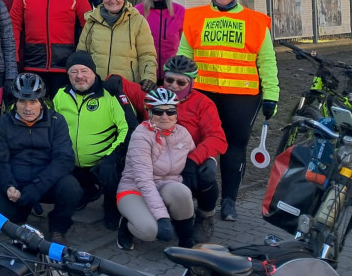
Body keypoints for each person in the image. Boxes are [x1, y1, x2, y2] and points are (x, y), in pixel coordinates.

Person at [178, 0, 279, 222]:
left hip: (242, 96)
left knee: (234, 147)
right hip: (203, 93)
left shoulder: (256, 22)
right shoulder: (194, 17)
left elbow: (267, 61)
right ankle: (201, 194)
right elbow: (184, 56)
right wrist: (178, 87)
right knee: (198, 143)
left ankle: (230, 201)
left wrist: (272, 95)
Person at [107, 55, 226, 242]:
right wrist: (116, 79)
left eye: (181, 82)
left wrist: (194, 160)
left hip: (191, 154)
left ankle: (205, 216)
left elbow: (217, 138)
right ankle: (148, 216)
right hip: (157, 158)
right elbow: (120, 83)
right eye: (169, 80)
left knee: (208, 173)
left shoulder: (203, 103)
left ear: (191, 83)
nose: (174, 86)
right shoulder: (154, 95)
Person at [0, 73, 81, 243]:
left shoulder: (56, 121)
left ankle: (58, 228)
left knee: (71, 188)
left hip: (46, 182)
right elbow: (0, 160)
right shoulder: (4, 123)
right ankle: (23, 210)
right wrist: (8, 185)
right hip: (17, 181)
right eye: (22, 101)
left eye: (33, 101)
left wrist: (37, 187)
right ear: (15, 102)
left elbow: (64, 159)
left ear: (42, 101)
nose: (27, 108)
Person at [53, 51, 132, 230]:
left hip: (103, 161)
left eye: (84, 71)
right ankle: (85, 192)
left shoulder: (109, 95)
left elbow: (126, 129)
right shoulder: (60, 95)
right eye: (73, 72)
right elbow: (54, 127)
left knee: (111, 173)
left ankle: (111, 207)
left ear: (94, 72)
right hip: (71, 161)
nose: (79, 76)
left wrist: (111, 157)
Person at [116, 87, 196, 250]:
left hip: (165, 184)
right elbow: (144, 180)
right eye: (158, 112)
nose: (165, 116)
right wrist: (162, 219)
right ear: (149, 113)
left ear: (176, 113)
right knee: (149, 231)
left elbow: (196, 154)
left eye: (170, 112)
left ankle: (187, 241)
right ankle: (125, 225)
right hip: (135, 188)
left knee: (182, 193)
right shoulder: (141, 136)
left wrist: (209, 162)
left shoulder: (182, 132)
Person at [10, 0, 91, 96]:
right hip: (32, 63)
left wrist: (83, 57)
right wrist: (14, 56)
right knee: (34, 108)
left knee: (61, 108)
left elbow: (88, 26)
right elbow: (14, 25)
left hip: (64, 64)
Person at [77, 0, 157, 88]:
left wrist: (148, 78)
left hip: (126, 86)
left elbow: (147, 55)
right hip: (97, 85)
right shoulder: (92, 21)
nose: (113, 0)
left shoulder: (137, 21)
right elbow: (82, 54)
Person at [135, 0, 186, 81]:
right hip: (145, 74)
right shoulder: (137, 11)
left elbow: (186, 43)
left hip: (172, 74)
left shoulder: (180, 12)